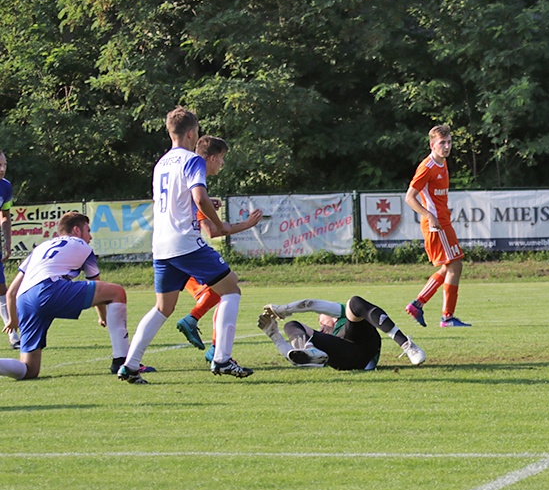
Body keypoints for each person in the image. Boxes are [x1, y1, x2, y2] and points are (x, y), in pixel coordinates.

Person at [117, 107, 252, 384]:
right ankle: (222, 359)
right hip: (185, 242)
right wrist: (223, 225)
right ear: (192, 133)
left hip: (162, 245)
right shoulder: (193, 160)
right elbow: (199, 199)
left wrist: (200, 203)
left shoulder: (161, 163)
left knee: (162, 308)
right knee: (232, 290)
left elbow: (179, 201)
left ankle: (130, 365)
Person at [0, 212, 146, 380]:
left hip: (24, 299)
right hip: (49, 288)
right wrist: (103, 316)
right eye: (88, 231)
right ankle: (121, 361)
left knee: (29, 370)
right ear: (77, 230)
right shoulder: (82, 245)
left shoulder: (41, 247)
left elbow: (11, 291)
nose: (90, 237)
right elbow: (96, 283)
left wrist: (12, 319)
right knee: (116, 292)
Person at [173, 135, 263, 362]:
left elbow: (193, 206)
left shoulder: (187, 177)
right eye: (221, 158)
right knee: (226, 288)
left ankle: (129, 361)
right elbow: (213, 232)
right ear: (212, 157)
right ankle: (201, 331)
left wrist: (205, 203)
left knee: (224, 287)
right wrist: (246, 225)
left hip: (172, 250)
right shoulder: (196, 178)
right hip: (183, 251)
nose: (222, 163)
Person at [404, 124, 471, 328]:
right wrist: (429, 216)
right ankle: (447, 317)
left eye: (449, 142)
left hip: (444, 221)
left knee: (450, 265)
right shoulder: (427, 167)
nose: (447, 146)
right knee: (455, 265)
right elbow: (410, 197)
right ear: (432, 144)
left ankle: (418, 304)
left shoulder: (442, 163)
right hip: (436, 224)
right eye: (442, 143)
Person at [258, 296, 426, 370]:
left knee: (354, 303)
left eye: (321, 321)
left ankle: (406, 344)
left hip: (363, 345)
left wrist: (284, 309)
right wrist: (274, 335)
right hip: (345, 357)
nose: (321, 326)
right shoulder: (328, 336)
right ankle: (309, 350)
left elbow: (309, 303)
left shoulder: (342, 315)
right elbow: (292, 355)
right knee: (292, 325)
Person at [0, 151, 20, 349]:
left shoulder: (5, 186)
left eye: (4, 164)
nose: (2, 168)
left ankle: (13, 334)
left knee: (1, 289)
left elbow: (5, 215)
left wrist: (7, 242)